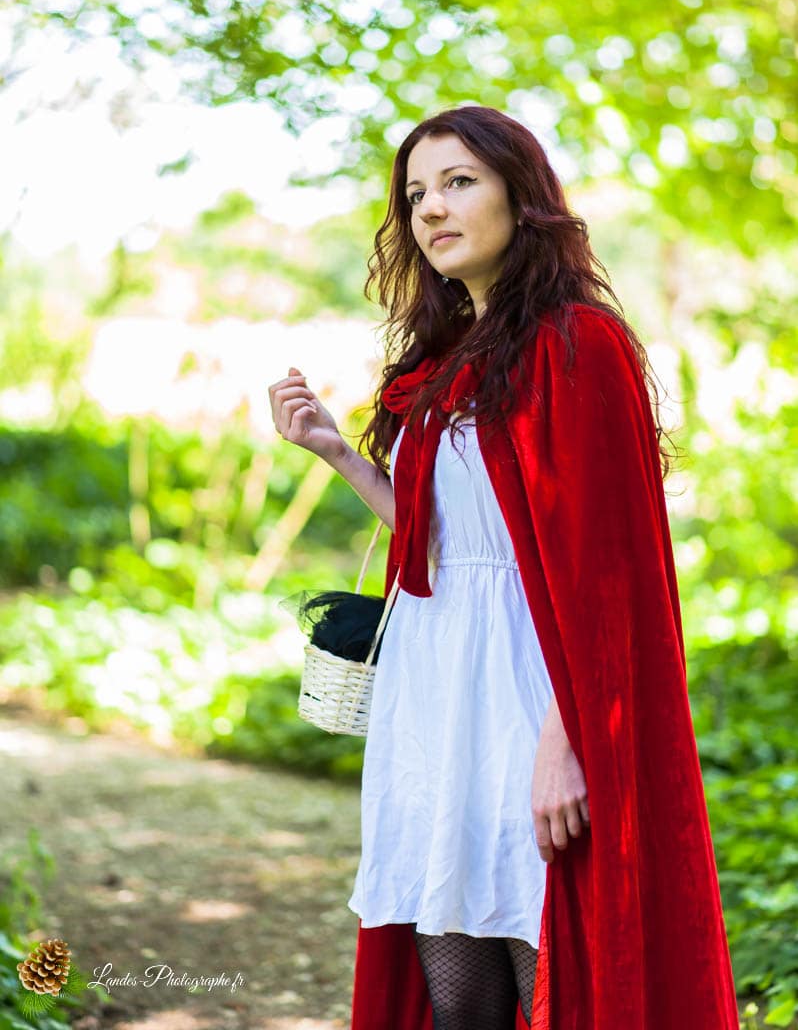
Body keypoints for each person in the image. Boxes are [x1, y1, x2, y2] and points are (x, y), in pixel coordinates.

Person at [269, 105, 739, 1030]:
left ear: (523, 199)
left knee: (550, 963)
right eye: (415, 194)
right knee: (459, 989)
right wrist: (338, 454)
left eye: (458, 182)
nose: (431, 209)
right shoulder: (446, 358)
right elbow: (442, 542)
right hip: (437, 692)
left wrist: (570, 739)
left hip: (533, 691)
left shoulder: (577, 342)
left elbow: (607, 571)